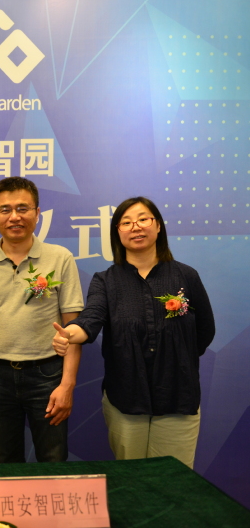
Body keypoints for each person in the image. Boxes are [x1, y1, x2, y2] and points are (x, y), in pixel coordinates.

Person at [51, 197, 214, 469]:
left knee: (173, 482)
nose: (135, 227)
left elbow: (205, 330)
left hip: (177, 395)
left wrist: (177, 358)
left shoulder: (186, 276)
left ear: (158, 225)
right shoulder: (106, 280)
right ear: (117, 232)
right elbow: (91, 318)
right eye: (126, 223)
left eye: (143, 219)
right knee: (133, 480)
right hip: (126, 397)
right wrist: (70, 334)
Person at [0, 177, 83, 463]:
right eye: (5, 209)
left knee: (53, 459)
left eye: (23, 208)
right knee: (6, 460)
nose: (14, 217)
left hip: (48, 374)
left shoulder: (60, 258)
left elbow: (73, 328)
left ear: (37, 213)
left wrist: (67, 385)